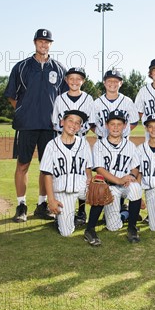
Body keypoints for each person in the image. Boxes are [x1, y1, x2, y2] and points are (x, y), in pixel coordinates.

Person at [4, 28, 67, 223]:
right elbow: (11, 95)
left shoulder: (59, 68)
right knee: (23, 164)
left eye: (47, 42)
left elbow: (64, 98)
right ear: (34, 43)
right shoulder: (22, 67)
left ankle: (42, 205)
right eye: (41, 41)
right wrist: (24, 110)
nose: (44, 44)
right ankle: (21, 205)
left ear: (51, 44)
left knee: (46, 167)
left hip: (50, 127)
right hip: (27, 125)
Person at [84, 110, 142, 246]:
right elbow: (99, 168)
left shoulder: (130, 145)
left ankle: (132, 228)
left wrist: (132, 176)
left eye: (119, 124)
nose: (116, 127)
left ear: (124, 126)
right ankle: (91, 228)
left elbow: (135, 167)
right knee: (113, 226)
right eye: (112, 124)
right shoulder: (99, 145)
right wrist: (118, 180)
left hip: (126, 185)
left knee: (136, 189)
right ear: (106, 125)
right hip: (108, 187)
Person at [51, 67, 94, 227]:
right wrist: (66, 133)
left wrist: (76, 132)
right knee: (60, 174)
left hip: (81, 142)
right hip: (61, 143)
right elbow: (55, 122)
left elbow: (90, 122)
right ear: (66, 80)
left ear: (83, 81)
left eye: (79, 79)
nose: (75, 82)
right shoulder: (60, 99)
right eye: (71, 78)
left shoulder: (88, 99)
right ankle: (58, 210)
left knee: (82, 175)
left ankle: (81, 212)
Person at [40, 110, 92, 237]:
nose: (73, 125)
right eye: (70, 121)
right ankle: (60, 218)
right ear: (62, 122)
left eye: (77, 123)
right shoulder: (51, 145)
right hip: (63, 191)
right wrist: (51, 200)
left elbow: (88, 167)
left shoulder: (83, 143)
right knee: (66, 232)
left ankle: (92, 227)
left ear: (80, 127)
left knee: (102, 193)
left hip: (81, 187)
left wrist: (90, 181)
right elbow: (47, 174)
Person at [92, 70, 139, 140]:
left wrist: (122, 133)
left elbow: (134, 121)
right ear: (104, 82)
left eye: (116, 81)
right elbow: (91, 123)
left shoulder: (128, 101)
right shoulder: (96, 103)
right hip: (102, 141)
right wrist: (101, 133)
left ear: (121, 83)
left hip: (123, 141)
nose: (112, 83)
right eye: (109, 81)